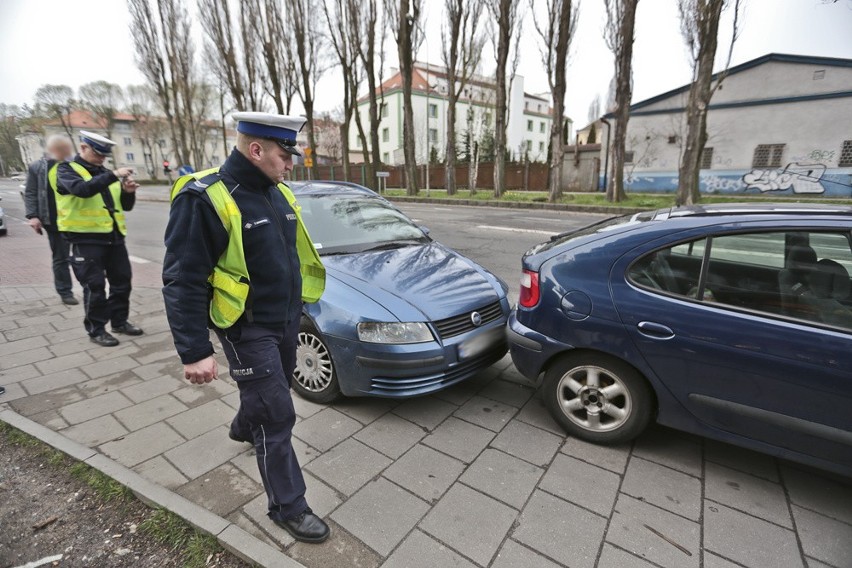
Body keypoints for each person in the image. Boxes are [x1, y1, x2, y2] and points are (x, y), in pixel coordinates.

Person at [162, 112, 329, 544]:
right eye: (284, 154)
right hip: (246, 328)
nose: (291, 164)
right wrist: (194, 350)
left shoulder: (278, 193)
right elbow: (182, 277)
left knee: (267, 398)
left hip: (287, 320)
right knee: (278, 414)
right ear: (256, 150)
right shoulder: (205, 198)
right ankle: (288, 506)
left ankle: (242, 426)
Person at [55, 131, 144, 347]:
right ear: (83, 147)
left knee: (122, 282)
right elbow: (83, 190)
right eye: (97, 154)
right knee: (94, 286)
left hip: (114, 238)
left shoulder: (105, 173)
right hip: (85, 239)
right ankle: (96, 330)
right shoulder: (67, 170)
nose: (101, 159)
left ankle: (119, 322)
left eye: (104, 156)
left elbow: (125, 206)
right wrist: (114, 175)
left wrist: (128, 192)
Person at [24, 135, 77, 305]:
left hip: (77, 218)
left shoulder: (74, 164)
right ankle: (65, 291)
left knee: (85, 255)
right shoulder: (38, 167)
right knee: (61, 257)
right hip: (53, 220)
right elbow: (31, 192)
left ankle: (91, 286)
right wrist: (33, 216)